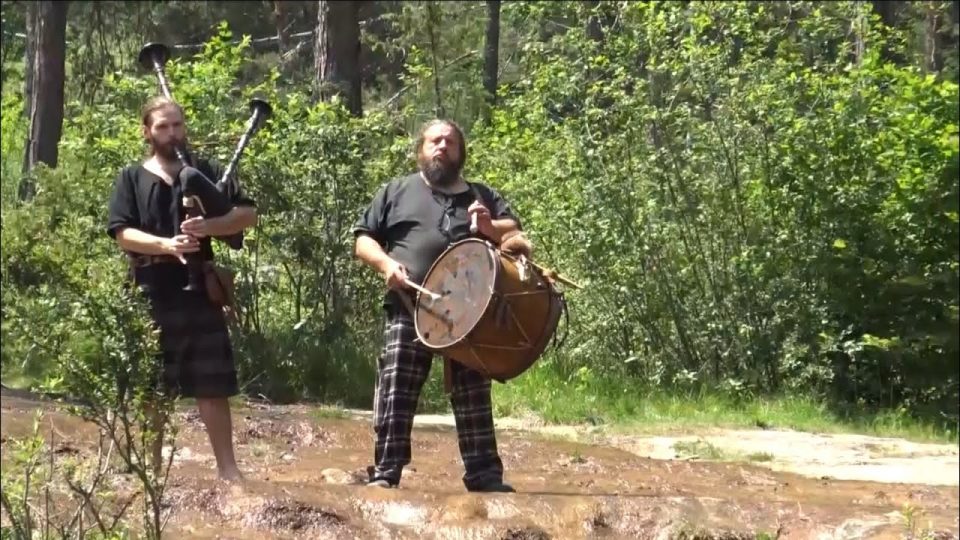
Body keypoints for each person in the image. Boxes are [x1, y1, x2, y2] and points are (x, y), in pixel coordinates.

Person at [352, 119, 523, 493]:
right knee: (397, 383)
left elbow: (516, 234)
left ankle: (484, 475)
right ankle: (386, 471)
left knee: (473, 391)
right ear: (421, 150)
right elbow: (362, 240)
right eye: (435, 140)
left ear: (461, 153)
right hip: (409, 303)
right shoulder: (396, 192)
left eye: (450, 142)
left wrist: (490, 226)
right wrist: (386, 265)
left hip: (470, 312)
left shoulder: (480, 194)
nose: (442, 146)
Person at [105, 95, 256, 482]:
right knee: (153, 389)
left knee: (212, 384)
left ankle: (229, 471)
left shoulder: (204, 171)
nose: (172, 133)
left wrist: (210, 227)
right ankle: (150, 476)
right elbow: (123, 233)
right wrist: (166, 245)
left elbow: (246, 214)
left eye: (177, 125)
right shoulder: (131, 177)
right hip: (150, 290)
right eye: (162, 127)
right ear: (147, 132)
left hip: (201, 291)